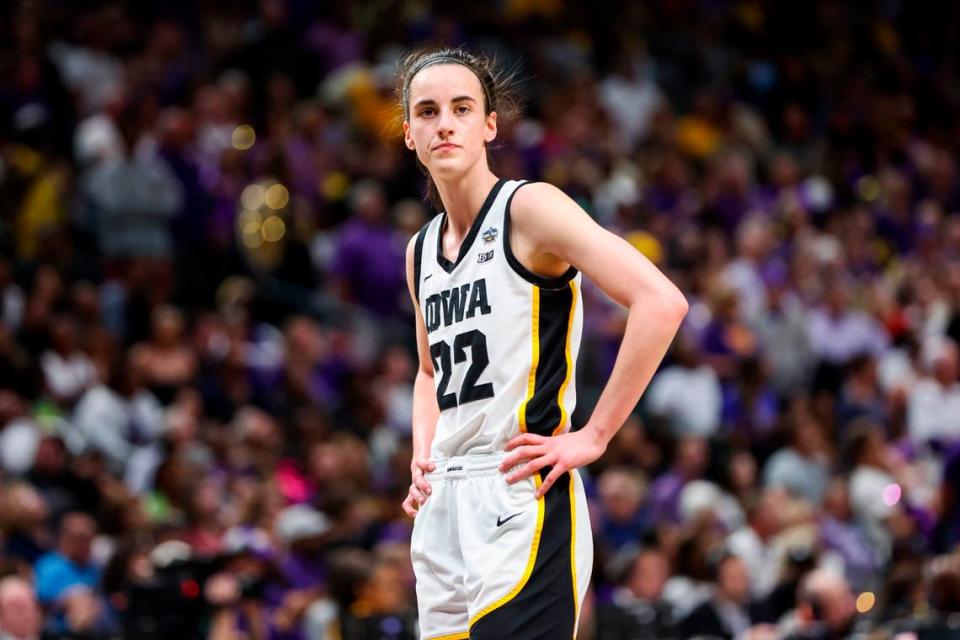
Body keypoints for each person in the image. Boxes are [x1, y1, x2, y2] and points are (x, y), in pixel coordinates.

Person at [397, 47, 688, 639]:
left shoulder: (529, 208)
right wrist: (420, 454)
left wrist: (595, 435)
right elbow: (430, 373)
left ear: (490, 125)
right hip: (445, 506)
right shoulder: (420, 250)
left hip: (520, 491)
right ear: (409, 134)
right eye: (427, 112)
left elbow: (661, 302)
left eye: (461, 108)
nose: (444, 123)